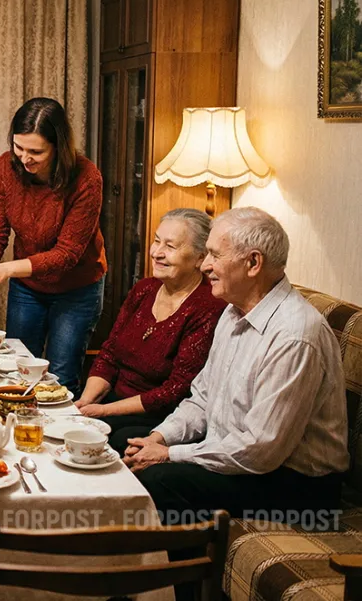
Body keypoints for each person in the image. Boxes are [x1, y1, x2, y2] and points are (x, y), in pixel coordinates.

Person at [125, 207, 348, 521]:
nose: (205, 265)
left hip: (299, 488)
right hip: (244, 457)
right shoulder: (232, 312)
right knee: (126, 442)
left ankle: (177, 570)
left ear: (253, 263)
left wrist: (170, 454)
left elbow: (260, 449)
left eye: (215, 255)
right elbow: (201, 398)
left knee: (160, 480)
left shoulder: (295, 335)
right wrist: (159, 438)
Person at [0, 97, 106, 393]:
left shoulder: (86, 178)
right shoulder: (5, 168)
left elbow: (66, 255)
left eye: (36, 152)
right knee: (18, 371)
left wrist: (5, 270)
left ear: (58, 147)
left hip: (76, 290)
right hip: (28, 287)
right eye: (18, 147)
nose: (24, 158)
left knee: (60, 378)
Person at [75, 209, 227, 453]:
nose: (157, 252)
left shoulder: (209, 307)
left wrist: (102, 411)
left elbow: (174, 391)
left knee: (105, 439)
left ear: (200, 257)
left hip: (160, 417)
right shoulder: (145, 289)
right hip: (113, 402)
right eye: (157, 240)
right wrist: (86, 401)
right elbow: (109, 354)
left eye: (170, 246)